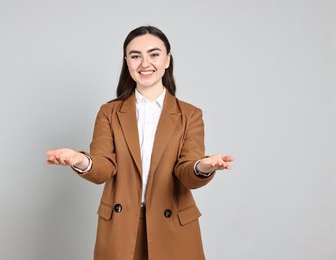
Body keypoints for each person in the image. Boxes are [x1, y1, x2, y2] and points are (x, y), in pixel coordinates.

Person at [45, 25, 234, 260]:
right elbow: (103, 168)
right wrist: (81, 160)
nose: (145, 63)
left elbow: (186, 171)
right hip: (122, 227)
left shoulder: (190, 114)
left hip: (174, 226)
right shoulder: (109, 112)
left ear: (167, 60)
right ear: (127, 62)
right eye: (136, 56)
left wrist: (202, 167)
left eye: (154, 54)